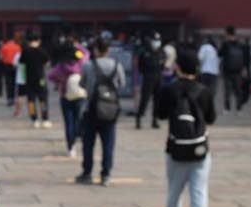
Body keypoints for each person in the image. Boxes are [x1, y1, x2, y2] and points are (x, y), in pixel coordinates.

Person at [155, 48, 216, 207]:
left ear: (178, 67)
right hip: (199, 148)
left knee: (174, 190)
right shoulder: (204, 90)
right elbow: (211, 118)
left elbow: (161, 115)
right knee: (199, 192)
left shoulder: (169, 89)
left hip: (176, 147)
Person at [77, 38, 125, 185]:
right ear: (108, 50)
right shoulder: (117, 65)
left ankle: (87, 173)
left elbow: (82, 83)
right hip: (110, 109)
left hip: (91, 108)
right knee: (108, 143)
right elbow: (122, 84)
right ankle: (106, 174)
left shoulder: (88, 65)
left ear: (95, 50)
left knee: (88, 143)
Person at [48, 45, 87, 158]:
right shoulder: (81, 63)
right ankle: (78, 135)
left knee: (68, 122)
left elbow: (50, 76)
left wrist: (60, 82)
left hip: (65, 96)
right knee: (78, 118)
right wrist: (78, 45)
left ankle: (71, 147)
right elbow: (86, 54)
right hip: (80, 95)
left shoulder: (61, 66)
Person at [134, 32, 164, 130]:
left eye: (158, 40)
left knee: (158, 100)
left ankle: (154, 120)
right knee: (145, 99)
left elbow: (162, 65)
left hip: (158, 78)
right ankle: (139, 118)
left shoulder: (161, 52)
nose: (156, 42)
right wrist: (146, 73)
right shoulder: (145, 52)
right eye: (155, 40)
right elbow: (140, 66)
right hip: (148, 78)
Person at [22, 35, 52, 128]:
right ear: (38, 41)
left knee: (31, 101)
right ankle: (45, 119)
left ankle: (34, 120)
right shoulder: (42, 51)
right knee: (43, 100)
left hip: (29, 79)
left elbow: (21, 64)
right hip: (41, 79)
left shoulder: (25, 51)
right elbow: (47, 63)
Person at [217, 26, 248, 112]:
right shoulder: (240, 44)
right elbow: (245, 57)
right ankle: (239, 107)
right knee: (238, 89)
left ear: (227, 33)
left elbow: (219, 54)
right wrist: (244, 68)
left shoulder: (225, 44)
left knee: (227, 90)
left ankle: (227, 108)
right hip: (238, 70)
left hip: (227, 70)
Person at [0, 34, 21, 106]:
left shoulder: (4, 46)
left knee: (8, 83)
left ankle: (9, 99)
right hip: (15, 66)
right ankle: (13, 98)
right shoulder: (18, 47)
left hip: (6, 66)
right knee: (14, 83)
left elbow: (0, 57)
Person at [197, 37, 220, 104]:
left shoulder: (204, 47)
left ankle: (203, 102)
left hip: (205, 71)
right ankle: (210, 102)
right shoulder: (215, 49)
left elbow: (200, 58)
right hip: (214, 72)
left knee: (203, 87)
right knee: (212, 89)